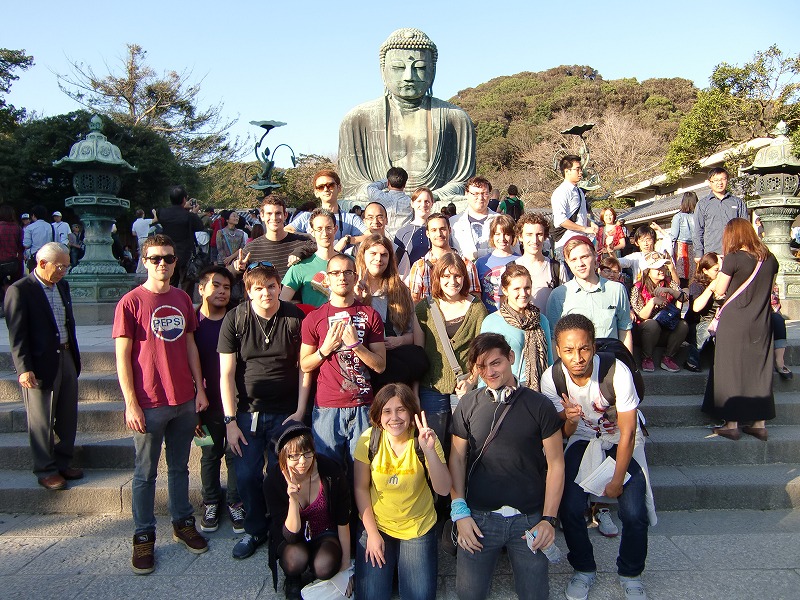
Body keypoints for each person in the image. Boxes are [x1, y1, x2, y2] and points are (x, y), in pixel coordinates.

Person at [113, 234, 210, 574]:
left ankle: (183, 522)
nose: (162, 264)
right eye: (155, 258)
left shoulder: (183, 298)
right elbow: (122, 357)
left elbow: (190, 345)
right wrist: (130, 403)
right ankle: (143, 536)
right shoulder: (130, 302)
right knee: (144, 474)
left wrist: (199, 389)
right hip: (149, 401)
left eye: (168, 258)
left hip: (183, 399)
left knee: (180, 467)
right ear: (144, 261)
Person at [540, 314, 654, 600]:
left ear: (593, 346)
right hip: (584, 438)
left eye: (584, 349)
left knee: (633, 512)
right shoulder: (552, 378)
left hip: (620, 439)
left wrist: (616, 482)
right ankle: (584, 569)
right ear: (557, 349)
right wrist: (570, 419)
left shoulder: (615, 372)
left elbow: (628, 433)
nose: (577, 357)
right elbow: (565, 431)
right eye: (568, 350)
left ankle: (630, 573)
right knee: (569, 506)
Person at [450, 333, 564, 600]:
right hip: (478, 519)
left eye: (496, 363)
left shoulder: (540, 405)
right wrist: (459, 511)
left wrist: (549, 519)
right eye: (482, 366)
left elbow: (556, 463)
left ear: (511, 358)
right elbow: (456, 458)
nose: (489, 372)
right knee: (468, 595)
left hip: (529, 519)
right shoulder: (468, 404)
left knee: (535, 595)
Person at [219, 262, 310, 559]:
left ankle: (284, 528)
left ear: (279, 286)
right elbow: (227, 373)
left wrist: (299, 410)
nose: (266, 293)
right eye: (258, 288)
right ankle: (255, 528)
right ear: (248, 292)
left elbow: (303, 366)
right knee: (246, 475)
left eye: (271, 286)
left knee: (281, 474)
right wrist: (230, 421)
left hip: (286, 411)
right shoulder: (236, 318)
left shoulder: (293, 315)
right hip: (248, 412)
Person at [338, 28, 475, 203]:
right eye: (398, 67)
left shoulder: (456, 119)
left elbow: (462, 183)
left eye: (419, 67)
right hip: (378, 205)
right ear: (383, 71)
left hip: (435, 204)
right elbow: (353, 185)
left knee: (463, 205)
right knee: (349, 203)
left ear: (433, 71)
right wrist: (390, 197)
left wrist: (428, 198)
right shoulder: (357, 119)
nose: (408, 76)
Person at [354, 383, 451, 600]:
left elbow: (443, 489)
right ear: (378, 416)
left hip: (417, 526)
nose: (394, 418)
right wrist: (371, 533)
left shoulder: (425, 438)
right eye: (387, 411)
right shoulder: (368, 440)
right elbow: (360, 488)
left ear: (410, 411)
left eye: (401, 410)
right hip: (378, 524)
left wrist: (430, 452)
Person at [299, 253, 387, 473]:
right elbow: (304, 365)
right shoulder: (314, 318)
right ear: (326, 279)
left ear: (355, 277)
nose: (342, 277)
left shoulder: (370, 315)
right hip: (327, 407)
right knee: (328, 473)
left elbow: (380, 365)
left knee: (364, 473)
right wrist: (324, 350)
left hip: (363, 405)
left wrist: (356, 345)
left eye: (347, 272)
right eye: (335, 273)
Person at [4, 242, 81, 490]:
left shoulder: (63, 286)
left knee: (68, 414)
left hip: (67, 355)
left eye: (66, 267)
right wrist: (23, 367)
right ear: (42, 263)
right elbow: (17, 334)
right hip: (39, 361)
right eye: (59, 266)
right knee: (42, 418)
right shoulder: (20, 290)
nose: (63, 272)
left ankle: (63, 461)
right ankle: (45, 469)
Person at [702, 218, 778, 441]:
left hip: (735, 321)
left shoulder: (734, 258)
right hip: (762, 321)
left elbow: (721, 290)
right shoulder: (770, 259)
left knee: (730, 369)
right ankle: (759, 423)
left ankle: (731, 423)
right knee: (760, 369)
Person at [265, 421, 353, 599]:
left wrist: (345, 568)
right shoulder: (273, 480)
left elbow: (343, 520)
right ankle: (293, 579)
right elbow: (289, 535)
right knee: (294, 559)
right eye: (294, 456)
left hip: (325, 532)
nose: (302, 462)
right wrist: (293, 499)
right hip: (293, 539)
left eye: (307, 453)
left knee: (325, 566)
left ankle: (315, 569)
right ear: (283, 457)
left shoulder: (330, 471)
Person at [415, 252, 488, 450]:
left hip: (464, 387)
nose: (452, 281)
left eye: (457, 276)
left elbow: (481, 352)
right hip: (432, 387)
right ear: (438, 278)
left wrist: (472, 381)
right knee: (434, 446)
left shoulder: (477, 308)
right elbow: (418, 353)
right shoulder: (425, 308)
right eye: (446, 276)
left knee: (462, 447)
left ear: (464, 278)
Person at [193, 266, 244, 534]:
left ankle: (235, 502)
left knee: (235, 452)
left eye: (226, 287)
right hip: (203, 402)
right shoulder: (192, 321)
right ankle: (210, 500)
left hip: (235, 400)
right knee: (209, 453)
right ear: (201, 289)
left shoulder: (237, 318)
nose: (223, 291)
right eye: (216, 285)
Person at [355, 234, 427, 392]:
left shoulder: (401, 290)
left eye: (384, 255)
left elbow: (412, 335)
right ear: (363, 256)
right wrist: (358, 300)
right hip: (364, 365)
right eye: (373, 254)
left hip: (395, 365)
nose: (378, 259)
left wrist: (398, 341)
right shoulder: (351, 288)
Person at [546, 236, 634, 353]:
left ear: (595, 256)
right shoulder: (558, 295)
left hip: (610, 360)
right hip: (575, 364)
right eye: (573, 259)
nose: (580, 263)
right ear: (567, 262)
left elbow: (625, 330)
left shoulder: (616, 290)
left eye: (584, 257)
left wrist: (628, 365)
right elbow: (554, 339)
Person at [480, 264, 552, 390]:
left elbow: (549, 361)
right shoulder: (491, 322)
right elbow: (483, 364)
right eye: (517, 289)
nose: (523, 293)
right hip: (507, 391)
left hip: (539, 392)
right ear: (505, 290)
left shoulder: (541, 320)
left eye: (527, 288)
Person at [229, 195, 316, 281]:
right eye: (269, 214)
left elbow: (322, 249)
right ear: (262, 216)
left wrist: (301, 251)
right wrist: (237, 269)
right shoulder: (251, 249)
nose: (274, 218)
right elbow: (228, 277)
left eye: (278, 213)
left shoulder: (301, 243)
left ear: (285, 215)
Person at [629, 252, 688, 373]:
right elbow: (641, 315)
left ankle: (668, 357)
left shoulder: (669, 282)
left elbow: (684, 298)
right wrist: (653, 302)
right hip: (646, 332)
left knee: (683, 325)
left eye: (663, 267)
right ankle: (647, 357)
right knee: (651, 324)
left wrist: (670, 290)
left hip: (667, 326)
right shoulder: (638, 287)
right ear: (648, 270)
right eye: (657, 268)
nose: (661, 270)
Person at [408, 213, 481, 303]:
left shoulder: (467, 265)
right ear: (427, 233)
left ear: (450, 230)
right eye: (434, 230)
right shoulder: (420, 267)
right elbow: (414, 301)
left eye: (443, 229)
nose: (439, 234)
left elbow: (475, 299)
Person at [286, 170, 366, 249]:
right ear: (316, 193)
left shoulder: (351, 219)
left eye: (330, 185)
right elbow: (286, 231)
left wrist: (347, 240)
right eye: (321, 187)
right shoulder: (307, 217)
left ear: (339, 188)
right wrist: (309, 237)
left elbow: (370, 236)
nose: (326, 189)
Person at [280, 208, 340, 308]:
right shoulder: (300, 267)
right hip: (313, 321)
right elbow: (282, 303)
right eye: (319, 229)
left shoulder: (349, 262)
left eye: (329, 228)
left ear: (335, 229)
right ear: (312, 232)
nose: (325, 233)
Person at [156, 185, 204, 293]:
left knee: (169, 283)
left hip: (167, 254)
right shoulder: (189, 216)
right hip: (186, 255)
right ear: (184, 199)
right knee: (187, 285)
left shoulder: (162, 212)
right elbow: (200, 227)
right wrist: (194, 213)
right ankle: (185, 307)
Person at [514, 213, 565, 313]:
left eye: (539, 234)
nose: (534, 240)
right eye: (529, 235)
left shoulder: (557, 269)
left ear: (545, 236)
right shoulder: (510, 268)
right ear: (520, 237)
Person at [550, 155, 598, 263]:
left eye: (581, 169)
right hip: (567, 241)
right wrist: (584, 229)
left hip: (580, 241)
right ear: (567, 171)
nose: (581, 172)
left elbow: (580, 216)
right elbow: (560, 220)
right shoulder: (561, 192)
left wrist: (590, 223)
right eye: (577, 169)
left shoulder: (579, 191)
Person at [693, 167, 748, 260]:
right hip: (712, 253)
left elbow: (745, 228)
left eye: (723, 179)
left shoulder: (737, 202)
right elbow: (698, 230)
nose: (720, 183)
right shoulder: (702, 204)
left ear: (727, 180)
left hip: (735, 252)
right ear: (710, 182)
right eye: (716, 180)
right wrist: (699, 253)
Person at [475, 214, 520, 313]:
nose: (502, 238)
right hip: (488, 316)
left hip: (513, 316)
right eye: (498, 234)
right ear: (492, 236)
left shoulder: (520, 261)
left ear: (513, 236)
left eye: (507, 234)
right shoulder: (481, 263)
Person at [684, 253, 721, 372]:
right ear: (705, 270)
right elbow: (696, 307)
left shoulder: (724, 283)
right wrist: (711, 288)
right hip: (697, 324)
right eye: (716, 270)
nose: (719, 273)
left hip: (717, 321)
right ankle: (692, 360)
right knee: (706, 329)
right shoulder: (697, 285)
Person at [449, 176, 499, 261]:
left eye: (484, 193)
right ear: (466, 193)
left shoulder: (500, 220)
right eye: (475, 194)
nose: (480, 198)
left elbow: (511, 251)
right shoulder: (454, 222)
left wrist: (478, 254)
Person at [394, 187, 434, 279]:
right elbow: (396, 262)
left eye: (427, 201)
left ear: (432, 204)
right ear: (412, 203)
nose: (423, 205)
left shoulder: (437, 230)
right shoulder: (402, 233)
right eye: (419, 201)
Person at [366, 166, 414, 239]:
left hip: (382, 240)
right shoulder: (411, 202)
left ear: (388, 182)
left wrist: (388, 181)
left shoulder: (379, 196)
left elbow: (371, 187)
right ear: (405, 185)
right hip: (404, 240)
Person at [670, 192, 698, 287]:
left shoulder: (678, 216)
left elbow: (673, 236)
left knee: (681, 275)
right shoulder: (698, 216)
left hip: (682, 247)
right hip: (696, 247)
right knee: (694, 274)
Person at [0, 205, 24, 312]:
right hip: (14, 261)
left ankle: (3, 305)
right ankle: (13, 304)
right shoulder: (17, 228)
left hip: (1, 261)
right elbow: (21, 246)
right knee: (14, 283)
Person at [22, 205, 53, 273]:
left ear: (33, 215)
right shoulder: (52, 227)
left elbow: (27, 244)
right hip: (49, 256)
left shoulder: (30, 228)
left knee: (35, 280)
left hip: (35, 257)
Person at [132, 209, 157, 274]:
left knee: (141, 254)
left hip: (139, 239)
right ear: (143, 214)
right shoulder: (145, 221)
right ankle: (143, 270)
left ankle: (138, 270)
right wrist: (154, 213)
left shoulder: (135, 223)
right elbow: (155, 219)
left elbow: (133, 233)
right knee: (146, 254)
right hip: (146, 238)